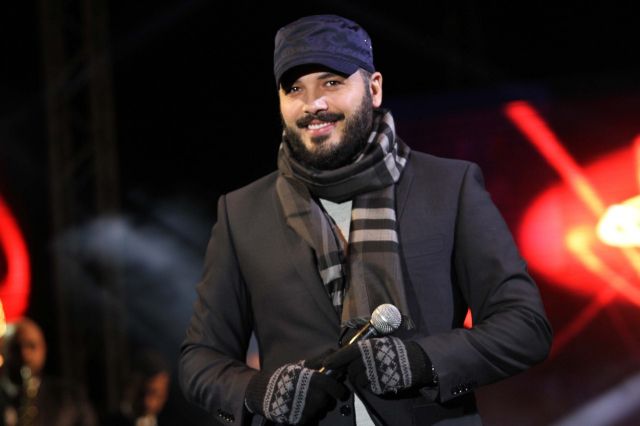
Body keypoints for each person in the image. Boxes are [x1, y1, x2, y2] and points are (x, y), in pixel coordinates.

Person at [179, 14, 553, 426]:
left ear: (374, 88)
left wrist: (423, 361)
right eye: (294, 89)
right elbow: (200, 359)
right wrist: (258, 391)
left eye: (331, 82)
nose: (313, 104)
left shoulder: (450, 187)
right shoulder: (241, 212)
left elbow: (525, 326)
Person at [0, 317, 98, 426]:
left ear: (44, 350)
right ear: (3, 351)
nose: (24, 354)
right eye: (16, 347)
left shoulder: (70, 398)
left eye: (31, 346)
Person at [104, 349, 171, 426]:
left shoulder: (172, 422)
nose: (146, 402)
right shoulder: (111, 422)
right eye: (141, 393)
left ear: (165, 393)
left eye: (154, 394)